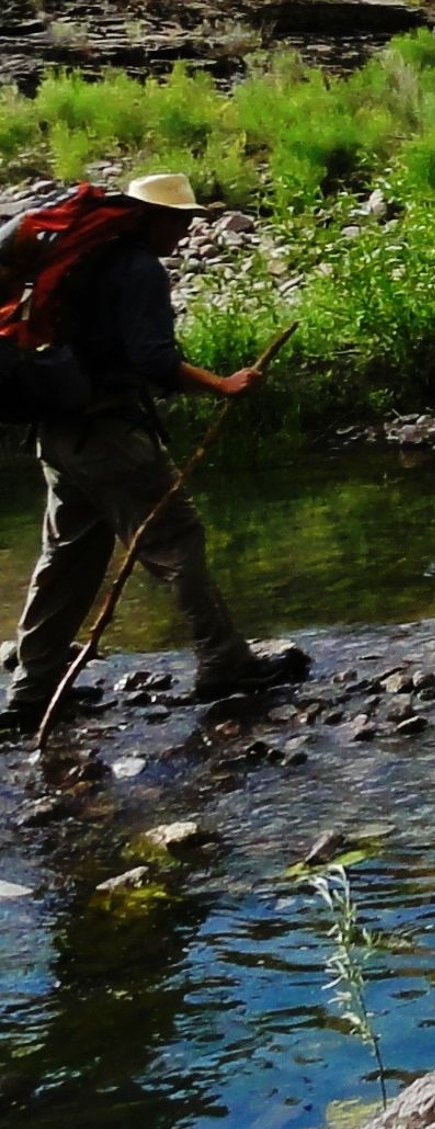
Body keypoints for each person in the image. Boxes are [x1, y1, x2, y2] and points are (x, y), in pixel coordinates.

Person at [0, 173, 303, 732]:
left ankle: (31, 692)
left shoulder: (83, 261)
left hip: (59, 434)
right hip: (110, 435)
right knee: (176, 539)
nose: (185, 232)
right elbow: (152, 358)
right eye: (179, 220)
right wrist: (223, 384)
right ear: (150, 218)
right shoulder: (138, 269)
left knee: (66, 559)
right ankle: (224, 662)